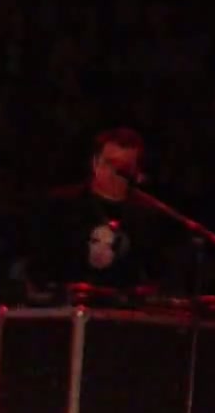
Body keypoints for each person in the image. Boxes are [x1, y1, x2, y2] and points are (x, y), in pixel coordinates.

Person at [24, 128, 175, 299]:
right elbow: (38, 267)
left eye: (124, 168)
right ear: (95, 163)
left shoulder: (147, 215)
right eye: (110, 163)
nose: (115, 173)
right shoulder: (60, 205)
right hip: (65, 305)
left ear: (135, 172)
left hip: (122, 310)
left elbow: (157, 276)